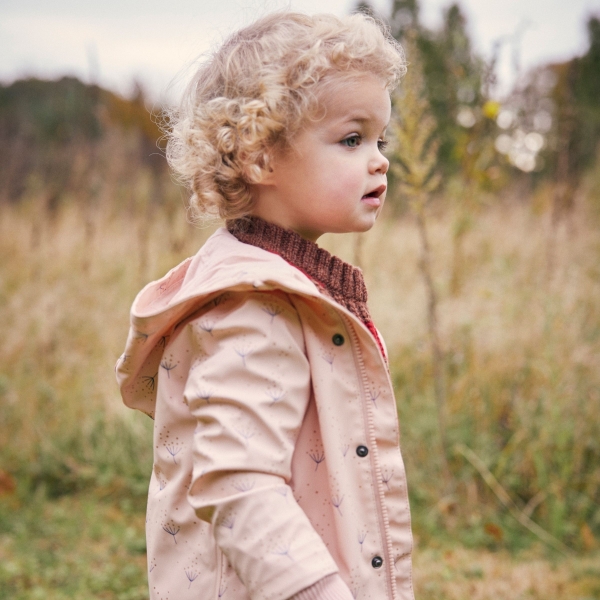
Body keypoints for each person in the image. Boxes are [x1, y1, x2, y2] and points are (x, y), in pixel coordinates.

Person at [116, 11, 414, 600]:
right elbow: (239, 485)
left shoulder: (293, 289)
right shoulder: (252, 309)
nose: (379, 159)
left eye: (381, 139)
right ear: (260, 158)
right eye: (352, 139)